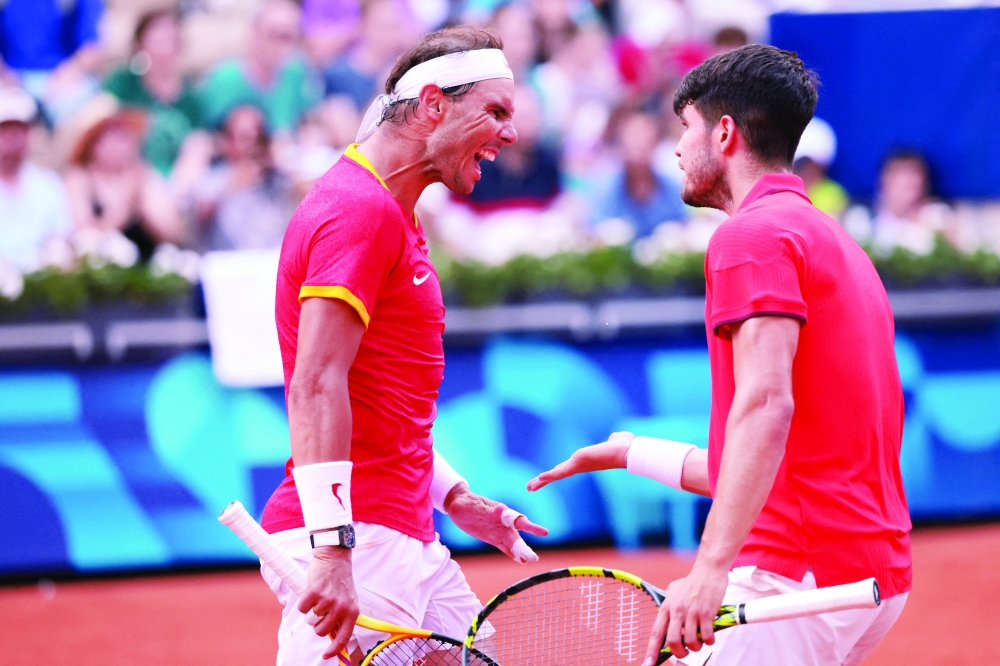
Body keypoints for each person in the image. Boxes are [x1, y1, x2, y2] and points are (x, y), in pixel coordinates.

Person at [528, 44, 912, 666]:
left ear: (725, 133)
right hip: (861, 574)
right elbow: (790, 464)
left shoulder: (751, 236)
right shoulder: (833, 240)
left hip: (791, 574)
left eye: (685, 128)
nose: (677, 150)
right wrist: (633, 452)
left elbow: (766, 405)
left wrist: (710, 567)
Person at [259, 26, 547, 665]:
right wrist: (333, 549)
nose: (511, 133)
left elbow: (377, 396)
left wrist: (452, 496)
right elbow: (315, 384)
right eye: (495, 111)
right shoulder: (360, 210)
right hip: (361, 540)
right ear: (435, 104)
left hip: (398, 528)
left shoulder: (389, 211)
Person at [63, 110, 183, 261]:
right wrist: (125, 208)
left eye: (125, 138)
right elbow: (85, 236)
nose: (120, 145)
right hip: (95, 264)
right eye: (112, 137)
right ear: (93, 142)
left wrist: (143, 201)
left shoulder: (143, 177)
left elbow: (171, 235)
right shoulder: (79, 178)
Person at [103, 9, 204, 176]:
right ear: (140, 44)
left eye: (170, 40)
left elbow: (197, 146)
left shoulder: (192, 99)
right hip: (128, 173)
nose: (164, 49)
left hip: (176, 179)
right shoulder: (123, 83)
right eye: (158, 40)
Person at [199, 0, 322, 136]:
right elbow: (206, 135)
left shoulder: (296, 73)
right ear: (255, 32)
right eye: (274, 35)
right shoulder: (225, 79)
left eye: (289, 37)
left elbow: (310, 118)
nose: (281, 45)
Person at [193, 105, 294, 251]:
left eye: (259, 137)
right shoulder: (214, 179)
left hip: (271, 258)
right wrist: (233, 186)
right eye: (244, 137)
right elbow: (198, 220)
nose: (253, 144)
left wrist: (281, 162)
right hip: (227, 259)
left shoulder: (278, 177)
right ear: (227, 141)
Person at [0, 86, 73, 272]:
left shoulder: (48, 184)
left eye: (19, 131)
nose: (12, 139)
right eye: (5, 131)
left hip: (39, 279)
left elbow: (60, 236)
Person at [0, 0, 103, 121]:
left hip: (62, 77)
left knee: (87, 116)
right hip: (11, 78)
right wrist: (5, 76)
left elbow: (91, 46)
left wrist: (66, 76)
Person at [594, 109, 687, 239]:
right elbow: (596, 233)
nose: (641, 144)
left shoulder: (672, 188)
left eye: (646, 138)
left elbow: (684, 226)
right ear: (621, 145)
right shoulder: (604, 190)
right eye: (635, 138)